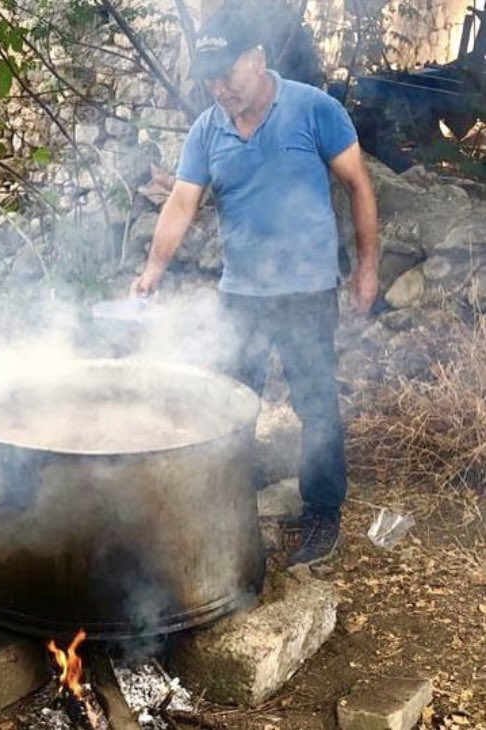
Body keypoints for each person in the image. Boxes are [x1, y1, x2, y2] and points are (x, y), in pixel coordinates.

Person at [130, 7, 379, 566]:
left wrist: (367, 268)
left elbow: (359, 186)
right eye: (210, 79)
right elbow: (181, 202)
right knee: (228, 403)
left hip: (307, 290)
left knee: (315, 404)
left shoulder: (315, 110)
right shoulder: (207, 129)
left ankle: (321, 513)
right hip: (240, 293)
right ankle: (227, 502)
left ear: (257, 59)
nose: (220, 89)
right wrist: (153, 270)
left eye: (229, 76)